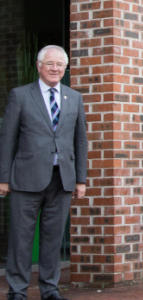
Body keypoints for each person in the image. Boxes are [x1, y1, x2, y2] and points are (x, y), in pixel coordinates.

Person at [0, 45, 88, 300]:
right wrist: (3, 178)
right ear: (38, 66)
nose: (55, 68)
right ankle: (17, 290)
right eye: (50, 63)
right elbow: (8, 139)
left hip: (62, 179)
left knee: (53, 238)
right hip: (25, 178)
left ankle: (50, 288)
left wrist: (81, 179)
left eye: (60, 65)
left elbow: (80, 141)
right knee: (21, 238)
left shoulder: (74, 97)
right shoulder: (20, 95)